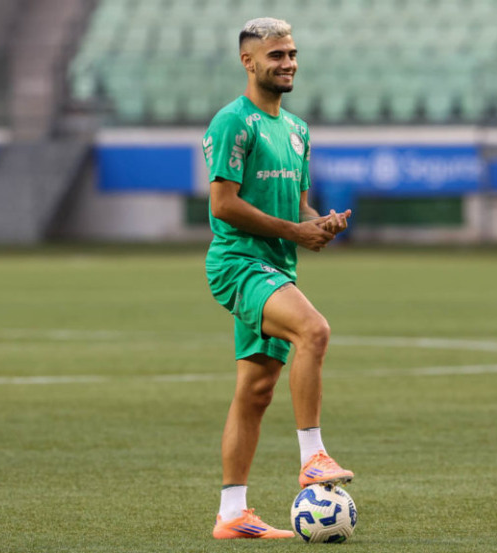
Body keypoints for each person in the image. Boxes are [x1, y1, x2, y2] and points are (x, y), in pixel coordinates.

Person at [202, 17, 354, 540]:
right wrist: (295, 228)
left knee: (257, 389)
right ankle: (313, 457)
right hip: (238, 264)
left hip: (276, 266)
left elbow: (298, 205)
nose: (287, 63)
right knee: (314, 329)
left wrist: (316, 222)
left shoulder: (297, 129)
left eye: (291, 54)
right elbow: (224, 204)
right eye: (276, 56)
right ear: (248, 62)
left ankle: (231, 515)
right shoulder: (232, 123)